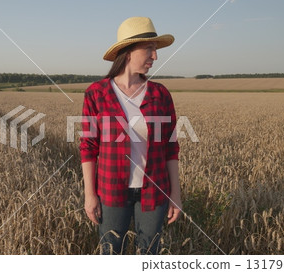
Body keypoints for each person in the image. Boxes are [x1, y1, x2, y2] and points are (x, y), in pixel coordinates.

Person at [80, 17, 182, 255]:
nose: (155, 56)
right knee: (111, 252)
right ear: (127, 51)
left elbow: (171, 147)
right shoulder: (97, 93)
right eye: (149, 49)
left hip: (154, 191)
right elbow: (88, 146)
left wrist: (175, 194)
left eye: (155, 50)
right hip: (110, 189)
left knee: (149, 253)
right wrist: (89, 194)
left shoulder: (160, 94)